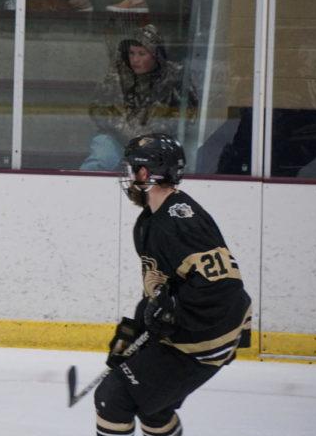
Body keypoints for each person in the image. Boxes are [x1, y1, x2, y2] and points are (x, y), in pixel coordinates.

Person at [96, 132, 251, 436]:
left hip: (208, 334)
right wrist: (135, 330)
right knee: (153, 409)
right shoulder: (150, 220)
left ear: (145, 172)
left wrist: (173, 313)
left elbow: (224, 286)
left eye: (131, 169)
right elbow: (160, 288)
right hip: (194, 328)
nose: (127, 178)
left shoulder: (180, 220)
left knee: (113, 398)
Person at [81, 24, 198, 171]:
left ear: (156, 55)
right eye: (132, 53)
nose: (135, 59)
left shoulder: (176, 76)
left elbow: (188, 114)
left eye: (142, 54)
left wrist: (153, 132)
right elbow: (97, 109)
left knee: (177, 162)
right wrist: (124, 129)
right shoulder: (116, 75)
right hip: (117, 138)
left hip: (159, 141)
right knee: (101, 157)